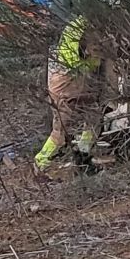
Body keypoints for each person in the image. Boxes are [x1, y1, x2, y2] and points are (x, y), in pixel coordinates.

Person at [36, 15, 105, 171]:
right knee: (60, 133)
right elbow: (93, 60)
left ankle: (83, 157)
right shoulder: (87, 33)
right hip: (68, 84)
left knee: (93, 118)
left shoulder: (75, 26)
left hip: (67, 82)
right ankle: (40, 163)